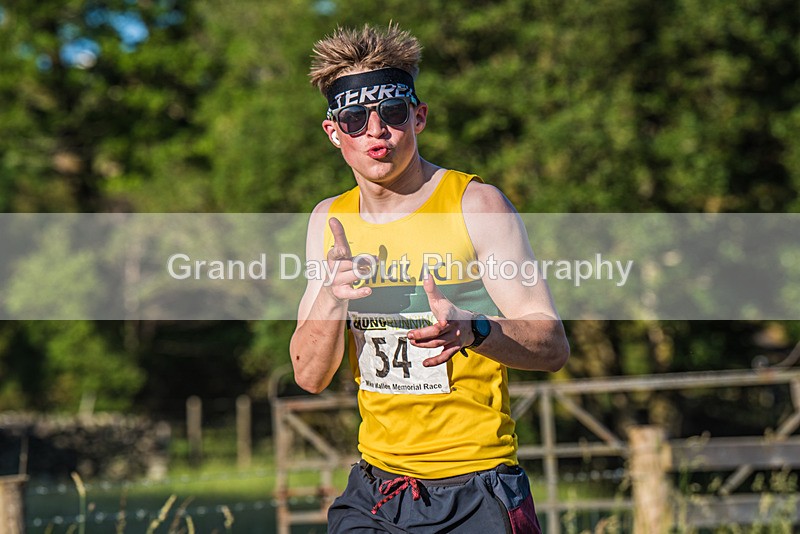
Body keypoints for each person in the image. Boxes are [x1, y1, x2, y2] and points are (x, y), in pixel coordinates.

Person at [290, 23, 569, 533]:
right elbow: (309, 375)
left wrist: (476, 330)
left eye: (392, 112)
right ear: (334, 132)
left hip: (475, 487)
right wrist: (332, 299)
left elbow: (552, 345)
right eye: (355, 118)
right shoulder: (328, 221)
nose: (376, 131)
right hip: (376, 490)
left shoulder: (476, 206)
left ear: (418, 116)